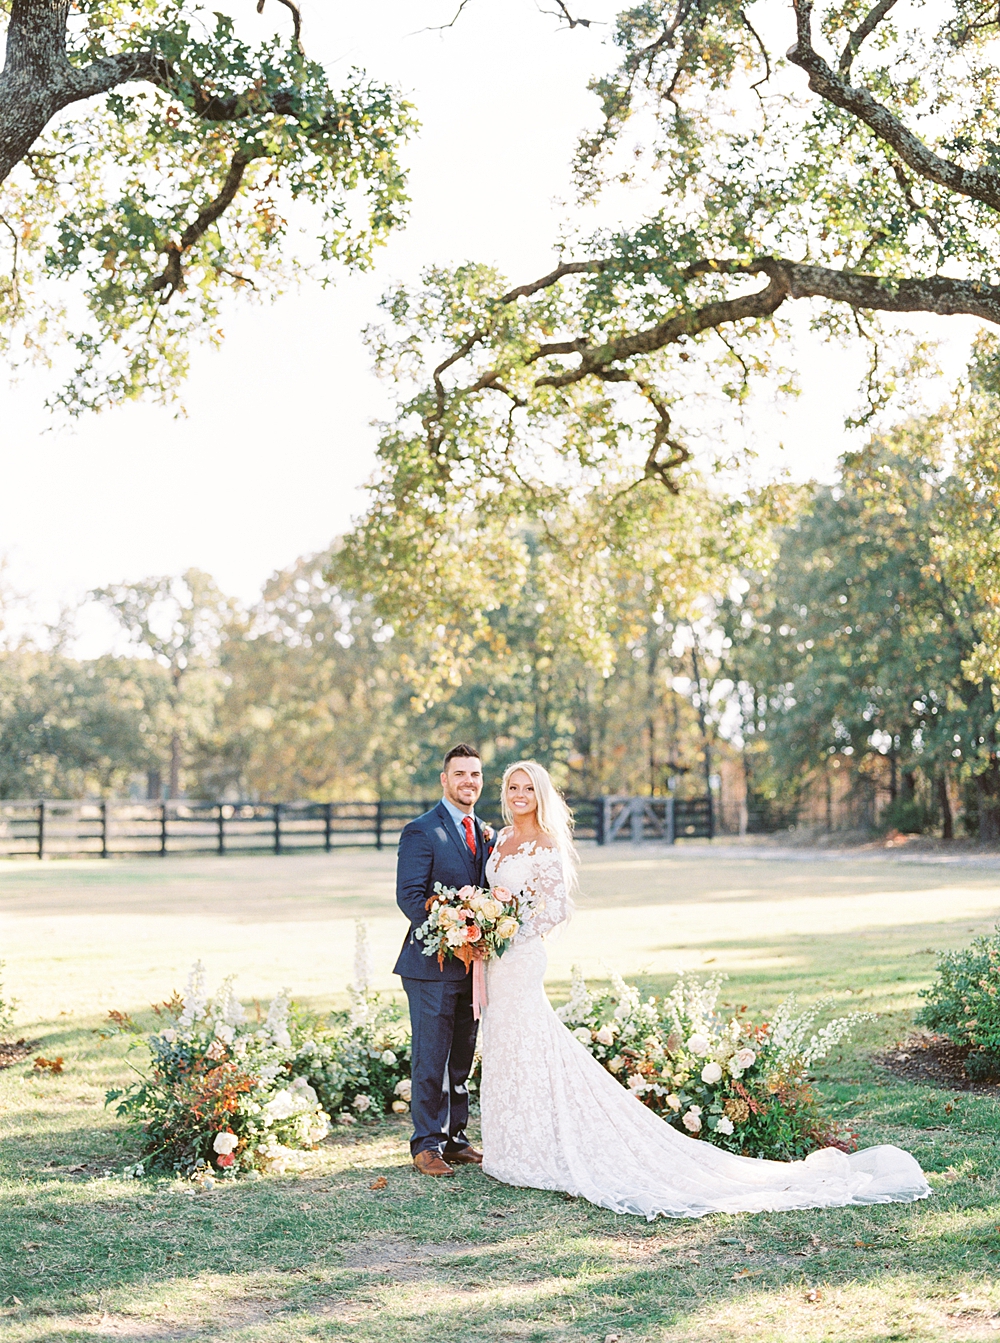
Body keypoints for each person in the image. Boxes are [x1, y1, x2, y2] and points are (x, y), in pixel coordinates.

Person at [479, 759, 932, 1219]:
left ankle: (537, 1148)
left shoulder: (545, 843)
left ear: (540, 795)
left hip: (519, 955)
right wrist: (484, 925)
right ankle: (514, 1145)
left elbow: (555, 908)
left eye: (528, 788)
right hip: (493, 960)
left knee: (528, 1041)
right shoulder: (499, 839)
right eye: (513, 787)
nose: (520, 795)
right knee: (507, 1045)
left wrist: (509, 928)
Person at [394, 743, 494, 1177]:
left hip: (473, 969)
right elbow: (411, 897)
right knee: (430, 1058)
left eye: (474, 774)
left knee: (462, 1058)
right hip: (429, 968)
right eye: (460, 774)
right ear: (444, 780)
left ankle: (456, 1139)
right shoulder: (422, 830)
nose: (468, 781)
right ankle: (426, 1145)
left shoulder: (487, 833)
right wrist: (450, 932)